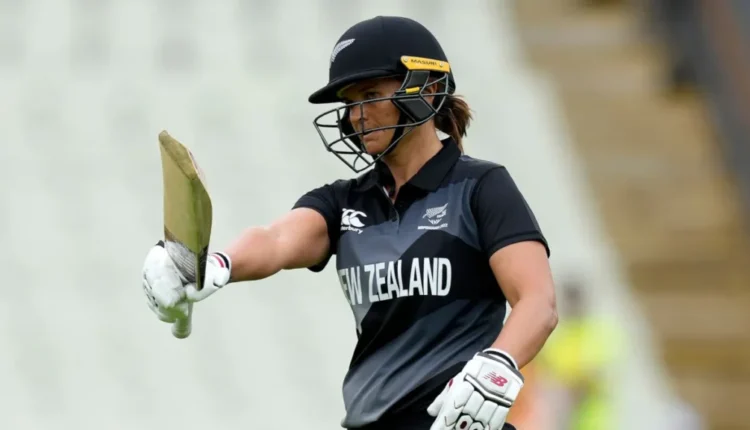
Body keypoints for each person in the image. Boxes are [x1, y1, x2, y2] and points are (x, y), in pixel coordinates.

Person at [141, 15, 558, 430]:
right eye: (349, 102)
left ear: (428, 90)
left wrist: (498, 364)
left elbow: (538, 301)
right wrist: (218, 264)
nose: (356, 115)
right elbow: (276, 239)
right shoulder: (345, 202)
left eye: (371, 95)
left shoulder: (481, 186)